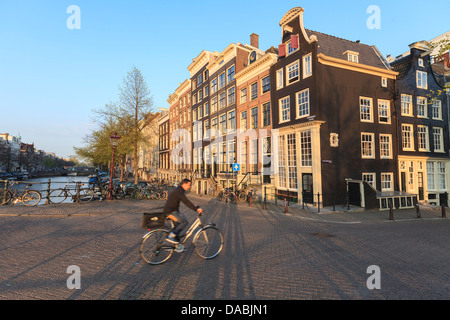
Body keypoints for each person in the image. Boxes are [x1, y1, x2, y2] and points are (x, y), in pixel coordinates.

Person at [163, 179, 202, 244]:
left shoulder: (179, 189)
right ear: (184, 184)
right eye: (189, 185)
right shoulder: (179, 191)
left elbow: (185, 201)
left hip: (172, 210)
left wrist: (194, 206)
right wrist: (196, 209)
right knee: (185, 222)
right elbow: (186, 201)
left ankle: (177, 244)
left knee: (178, 226)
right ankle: (170, 236)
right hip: (170, 212)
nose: (189, 186)